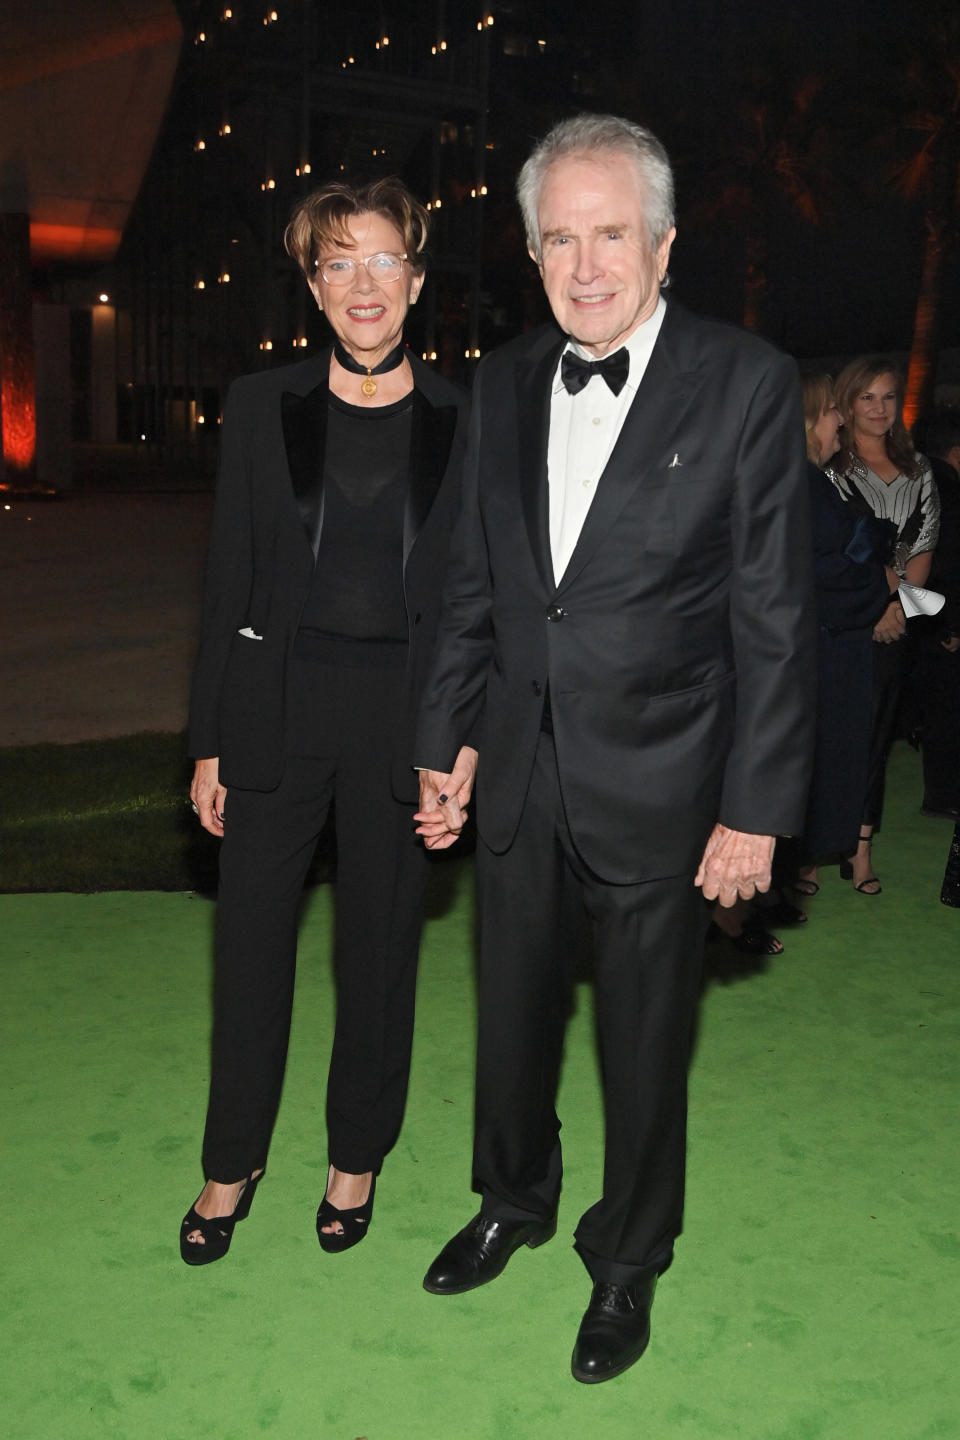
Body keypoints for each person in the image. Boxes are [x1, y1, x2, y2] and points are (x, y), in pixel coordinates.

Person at [413, 114, 815, 1384]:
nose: (588, 266)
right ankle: (513, 1199)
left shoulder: (745, 381)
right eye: (559, 240)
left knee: (645, 1047)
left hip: (667, 783)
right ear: (533, 254)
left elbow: (774, 616)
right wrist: (449, 739)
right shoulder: (505, 379)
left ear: (665, 243)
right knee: (513, 1023)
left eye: (613, 235)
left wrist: (754, 810)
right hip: (522, 775)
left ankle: (628, 1256)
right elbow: (475, 583)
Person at [179, 177, 469, 1264]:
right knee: (250, 948)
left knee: (381, 953)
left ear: (417, 281)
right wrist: (207, 735)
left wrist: (462, 744)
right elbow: (228, 579)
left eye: (385, 260)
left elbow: (476, 600)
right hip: (273, 713)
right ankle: (231, 1161)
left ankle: (357, 1157)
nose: (364, 283)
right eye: (338, 261)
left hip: (403, 720)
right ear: (312, 284)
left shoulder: (461, 418)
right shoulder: (262, 406)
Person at [828, 359, 939, 893]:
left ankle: (860, 848)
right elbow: (836, 549)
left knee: (875, 738)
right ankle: (813, 849)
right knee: (826, 734)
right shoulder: (830, 467)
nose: (878, 408)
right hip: (840, 621)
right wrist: (875, 604)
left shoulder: (919, 469)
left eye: (888, 397)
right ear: (846, 405)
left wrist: (898, 611)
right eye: (866, 397)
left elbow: (924, 548)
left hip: (898, 623)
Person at [789, 375, 893, 895]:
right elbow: (820, 570)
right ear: (811, 417)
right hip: (821, 650)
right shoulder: (802, 481)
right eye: (833, 410)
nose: (840, 421)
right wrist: (877, 576)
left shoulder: (818, 478)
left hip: (835, 646)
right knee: (805, 766)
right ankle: (751, 901)